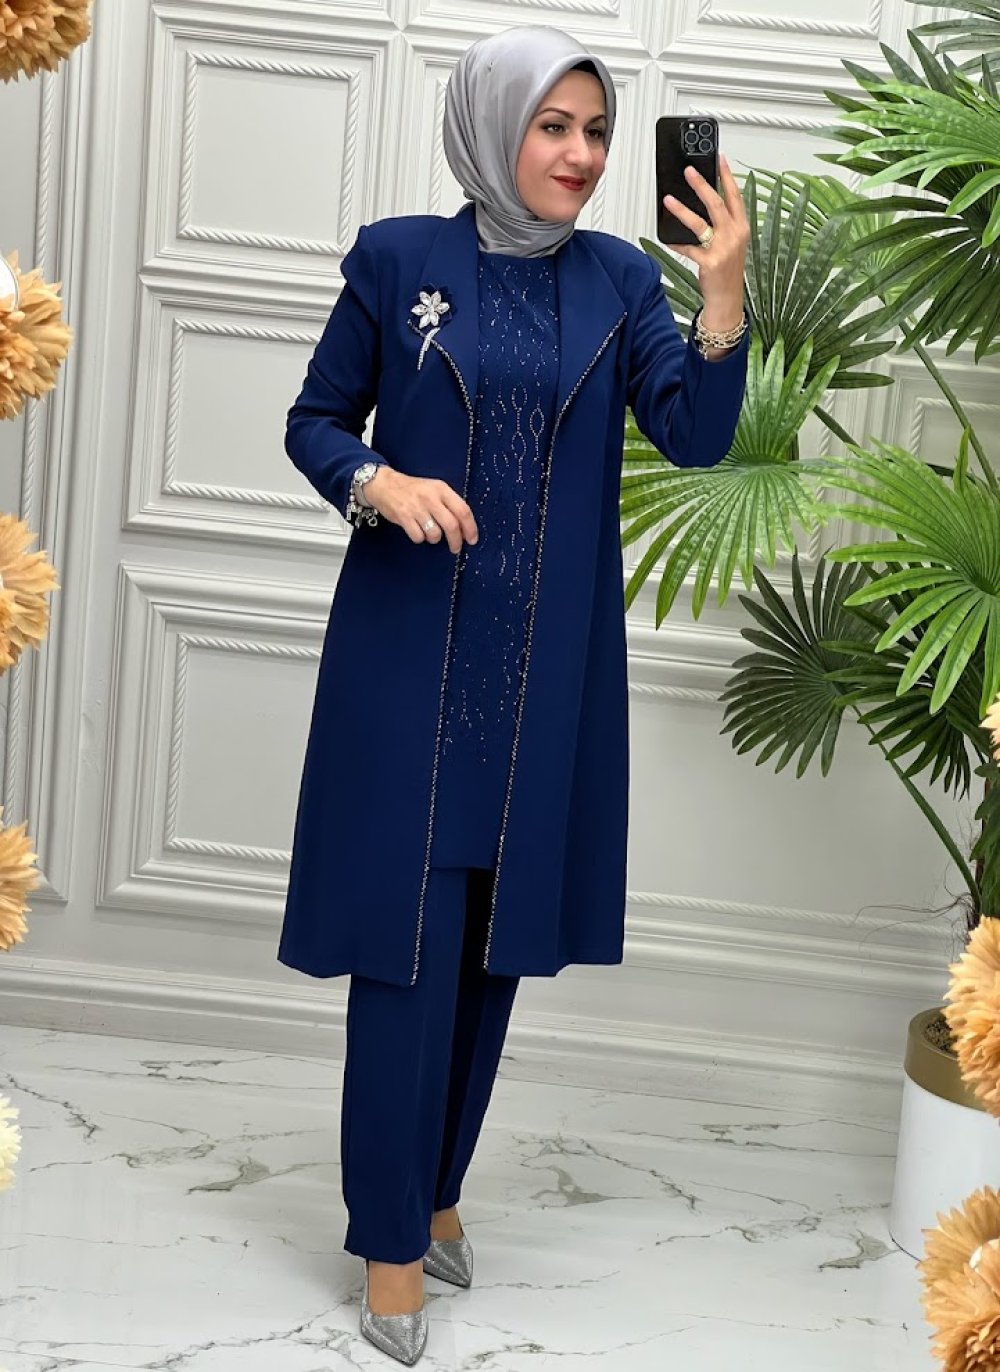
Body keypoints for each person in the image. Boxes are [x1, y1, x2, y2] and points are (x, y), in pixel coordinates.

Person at [276, 23, 750, 1366]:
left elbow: (696, 436)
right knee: (405, 953)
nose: (582, 155)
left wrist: (721, 295)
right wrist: (380, 482)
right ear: (494, 125)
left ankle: (437, 1192)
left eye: (597, 132)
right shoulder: (397, 260)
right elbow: (314, 422)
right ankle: (389, 1244)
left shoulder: (619, 280)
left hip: (546, 676)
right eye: (555, 126)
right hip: (410, 668)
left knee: (494, 950)